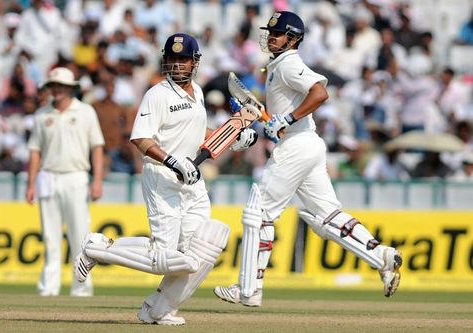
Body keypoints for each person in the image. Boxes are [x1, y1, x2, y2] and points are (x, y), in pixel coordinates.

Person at [214, 11, 403, 307]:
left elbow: (320, 93)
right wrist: (273, 116)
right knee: (327, 217)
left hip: (297, 146)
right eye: (270, 32)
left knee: (258, 212)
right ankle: (382, 257)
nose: (270, 37)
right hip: (307, 144)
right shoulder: (278, 65)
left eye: (277, 33)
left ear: (293, 38)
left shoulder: (289, 63)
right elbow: (285, 110)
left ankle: (248, 289)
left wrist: (288, 117)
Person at [73, 33, 257, 325]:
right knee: (165, 256)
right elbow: (141, 138)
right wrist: (173, 162)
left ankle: (157, 309)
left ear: (195, 63)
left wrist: (236, 138)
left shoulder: (196, 91)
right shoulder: (157, 94)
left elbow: (199, 135)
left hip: (192, 181)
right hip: (163, 178)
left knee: (200, 249)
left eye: (183, 59)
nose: (177, 65)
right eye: (172, 59)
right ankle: (95, 248)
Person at [25, 67, 105, 297]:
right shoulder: (42, 114)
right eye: (54, 86)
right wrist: (31, 184)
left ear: (71, 88)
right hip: (48, 176)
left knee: (79, 235)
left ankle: (82, 286)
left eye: (61, 86)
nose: (57, 90)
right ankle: (48, 287)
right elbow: (34, 151)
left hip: (76, 176)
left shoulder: (86, 112)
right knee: (50, 235)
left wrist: (97, 181)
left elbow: (97, 147)